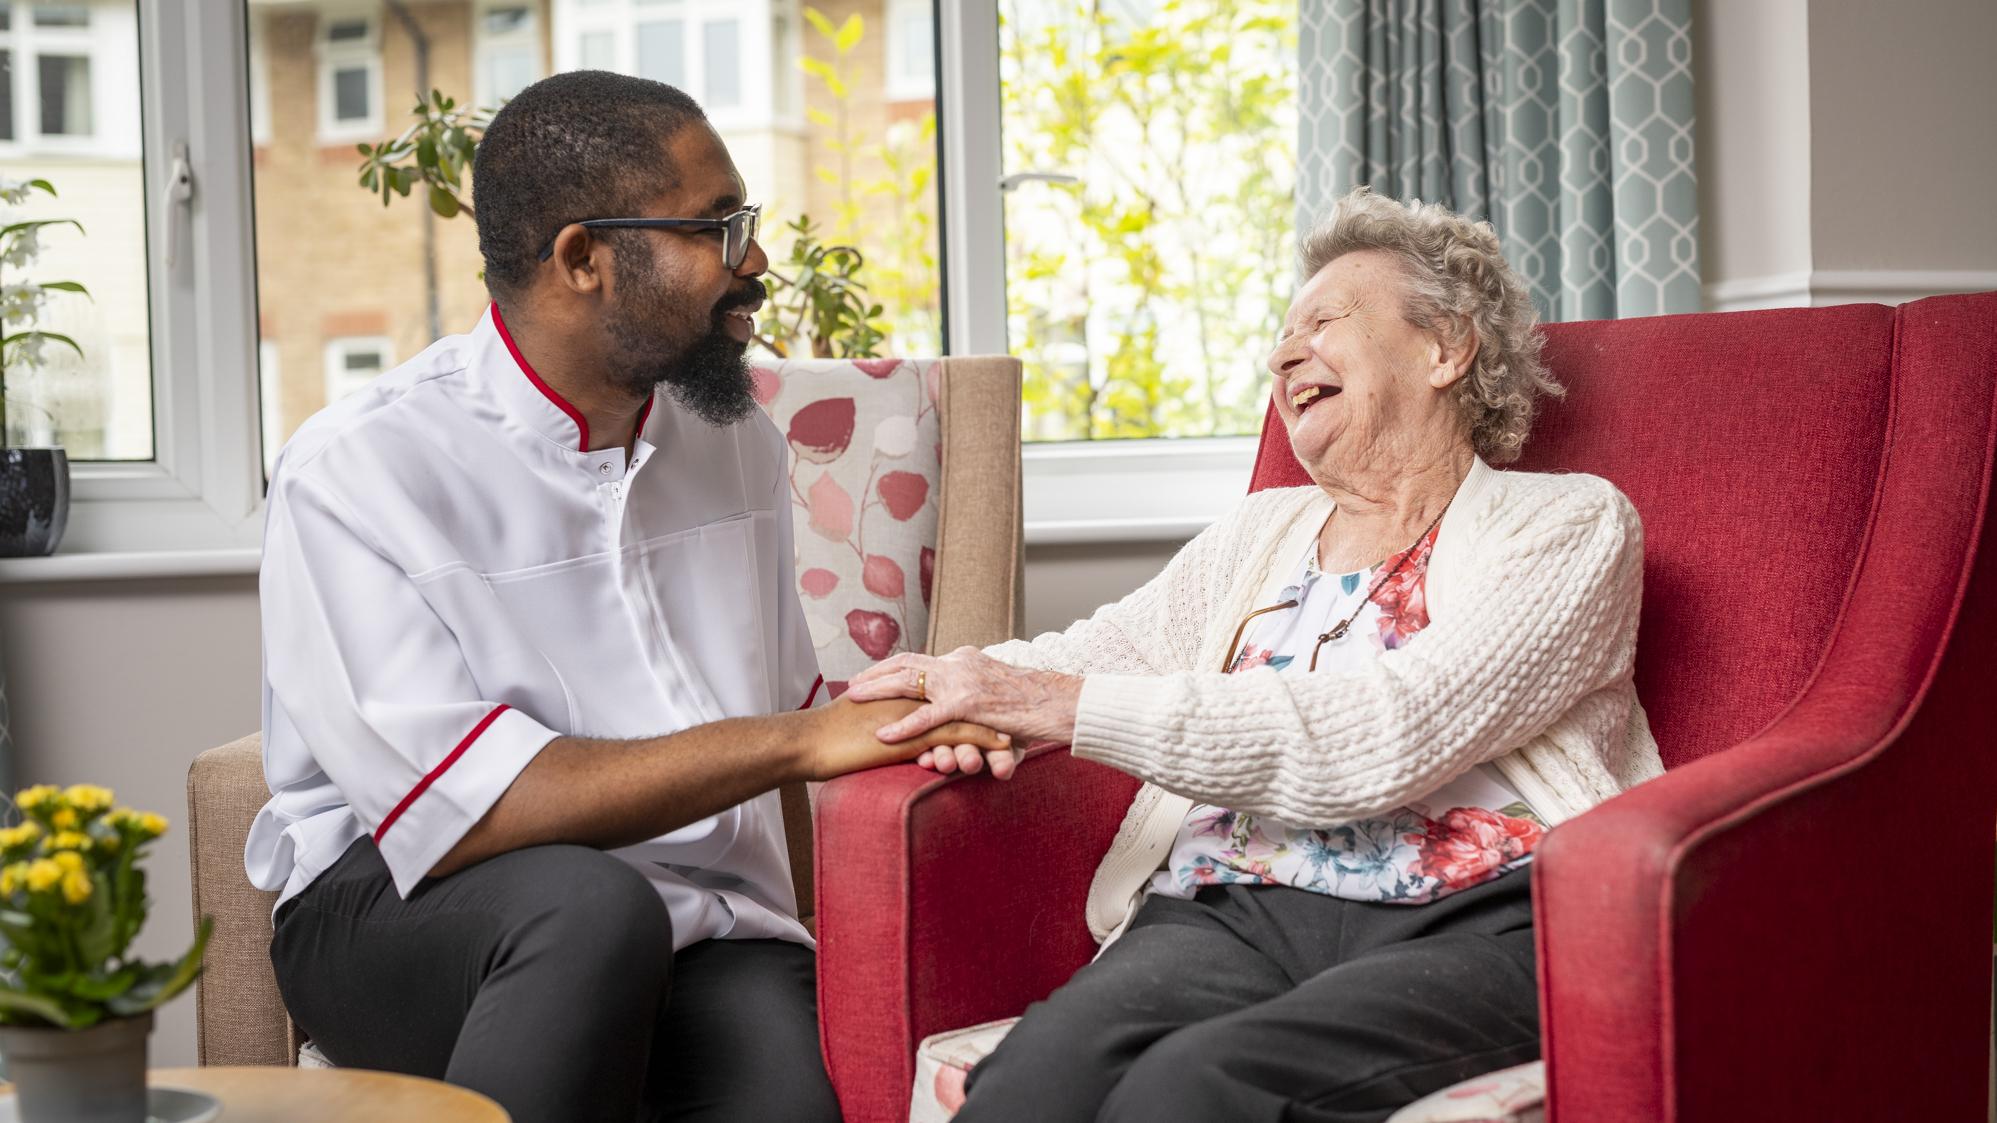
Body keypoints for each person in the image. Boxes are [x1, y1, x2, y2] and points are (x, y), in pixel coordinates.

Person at [246, 71, 1006, 1123]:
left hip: (703, 919)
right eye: (715, 227)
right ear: (582, 258)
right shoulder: (359, 469)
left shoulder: (734, 439)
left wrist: (929, 717)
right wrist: (801, 741)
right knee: (589, 909)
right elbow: (471, 817)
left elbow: (794, 716)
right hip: (400, 912)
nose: (756, 263)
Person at [845, 187, 1664, 1122]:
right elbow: (1102, 651)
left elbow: (1390, 731)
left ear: (1444, 348)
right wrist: (961, 690)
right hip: (1238, 903)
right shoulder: (1259, 531)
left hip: (1478, 912)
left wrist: (1047, 703)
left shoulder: (1566, 523)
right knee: (1033, 1081)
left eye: (1323, 320)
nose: (1282, 353)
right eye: (1280, 334)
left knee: (1190, 1091)